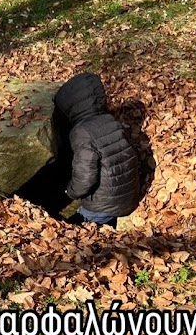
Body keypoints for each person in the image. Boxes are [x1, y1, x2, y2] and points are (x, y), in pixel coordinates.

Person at [54, 72, 140, 228]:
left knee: (67, 227)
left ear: (70, 106)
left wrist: (69, 193)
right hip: (128, 199)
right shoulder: (110, 120)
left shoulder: (82, 132)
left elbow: (86, 177)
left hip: (102, 207)